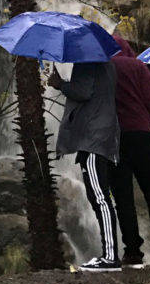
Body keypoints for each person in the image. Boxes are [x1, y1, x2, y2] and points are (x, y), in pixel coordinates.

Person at [108, 35, 150, 268]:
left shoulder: (101, 67)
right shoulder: (138, 66)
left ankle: (133, 252)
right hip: (142, 135)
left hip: (114, 137)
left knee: (123, 196)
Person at [49, 60, 120, 272]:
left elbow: (83, 91)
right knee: (98, 196)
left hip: (93, 137)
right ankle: (110, 255)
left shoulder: (88, 61)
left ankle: (110, 257)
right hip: (101, 133)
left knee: (100, 197)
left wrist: (59, 84)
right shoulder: (105, 63)